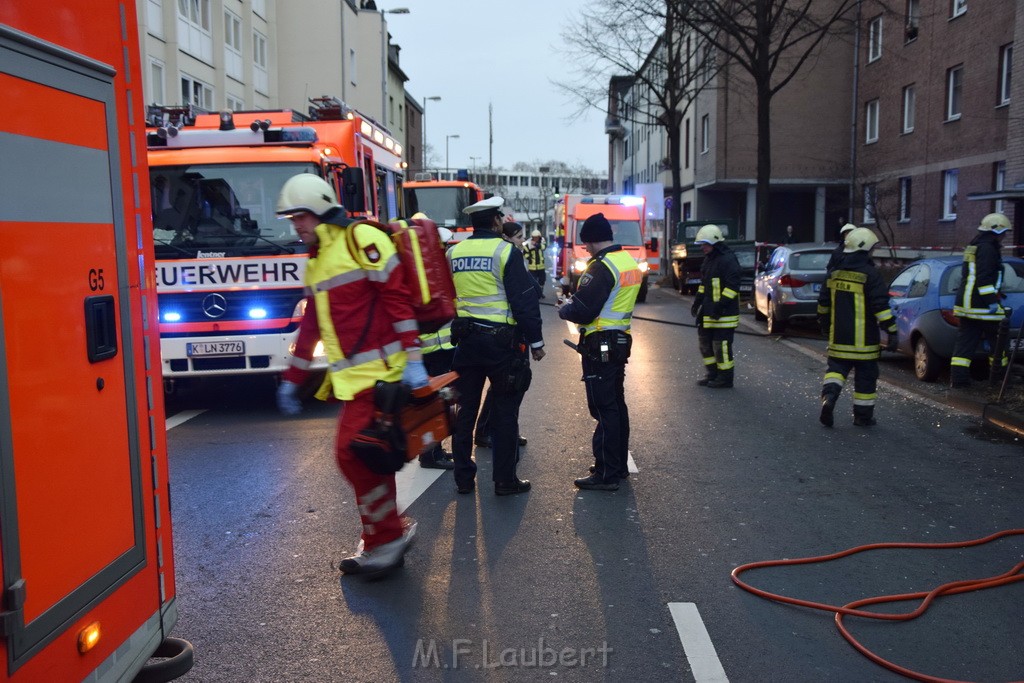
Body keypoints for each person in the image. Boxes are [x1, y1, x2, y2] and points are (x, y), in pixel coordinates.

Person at [274, 174, 426, 578]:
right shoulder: (318, 259)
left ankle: (386, 538)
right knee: (370, 455)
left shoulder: (361, 238)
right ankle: (385, 535)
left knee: (351, 455)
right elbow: (312, 326)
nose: (296, 226)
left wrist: (413, 358)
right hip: (356, 380)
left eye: (301, 217)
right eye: (292, 219)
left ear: (321, 209)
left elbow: (397, 297)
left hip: (383, 375)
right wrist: (294, 378)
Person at [447, 197, 545, 496]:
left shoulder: (453, 252)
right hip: (501, 345)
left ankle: (463, 478)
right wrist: (536, 341)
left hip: (466, 343)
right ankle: (504, 480)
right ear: (496, 222)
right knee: (504, 412)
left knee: (465, 411)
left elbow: (448, 293)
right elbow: (523, 301)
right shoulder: (506, 252)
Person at [557, 212, 641, 491]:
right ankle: (616, 466)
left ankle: (606, 472)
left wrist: (564, 309)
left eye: (586, 243)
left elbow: (583, 310)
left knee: (603, 407)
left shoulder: (601, 267)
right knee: (616, 404)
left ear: (592, 240)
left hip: (600, 343)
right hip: (619, 340)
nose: (586, 249)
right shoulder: (626, 262)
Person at [817, 227, 898, 427]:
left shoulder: (833, 274)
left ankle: (829, 398)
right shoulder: (871, 275)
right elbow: (881, 307)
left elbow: (823, 305)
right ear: (865, 250)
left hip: (839, 339)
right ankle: (863, 417)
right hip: (865, 342)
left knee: (835, 371)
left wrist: (825, 327)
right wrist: (892, 331)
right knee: (866, 379)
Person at [475, 221, 532, 449]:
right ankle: (487, 430)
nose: (522, 241)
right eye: (519, 236)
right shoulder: (506, 257)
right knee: (507, 386)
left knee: (514, 386)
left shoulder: (515, 256)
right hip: (508, 331)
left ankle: (507, 429)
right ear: (508, 237)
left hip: (513, 329)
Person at [411, 212, 456, 470]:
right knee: (434, 404)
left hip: (429, 350)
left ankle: (432, 450)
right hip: (437, 350)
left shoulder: (420, 269)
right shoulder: (432, 273)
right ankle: (431, 454)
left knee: (430, 403)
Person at [950, 212, 1012, 389]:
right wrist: (992, 301)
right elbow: (984, 279)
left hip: (967, 305)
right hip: (981, 306)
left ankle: (959, 381)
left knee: (964, 345)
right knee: (999, 341)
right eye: (1004, 232)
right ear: (997, 232)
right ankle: (999, 379)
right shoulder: (988, 249)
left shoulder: (975, 245)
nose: (1005, 236)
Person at [690, 224, 741, 388]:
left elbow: (733, 286)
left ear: (713, 242)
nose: (702, 248)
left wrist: (720, 306)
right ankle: (712, 374)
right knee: (705, 344)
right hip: (709, 311)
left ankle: (725, 378)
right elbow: (705, 285)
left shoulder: (728, 260)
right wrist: (698, 302)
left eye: (704, 244)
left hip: (724, 314)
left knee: (721, 347)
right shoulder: (709, 261)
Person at [524, 229, 548, 298]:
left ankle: (540, 292)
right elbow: (525, 252)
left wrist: (537, 245)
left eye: (537, 237)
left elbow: (544, 247)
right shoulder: (528, 242)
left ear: (539, 237)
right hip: (532, 266)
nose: (535, 238)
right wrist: (529, 258)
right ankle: (535, 294)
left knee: (542, 280)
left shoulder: (542, 241)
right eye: (534, 237)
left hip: (541, 266)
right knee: (533, 281)